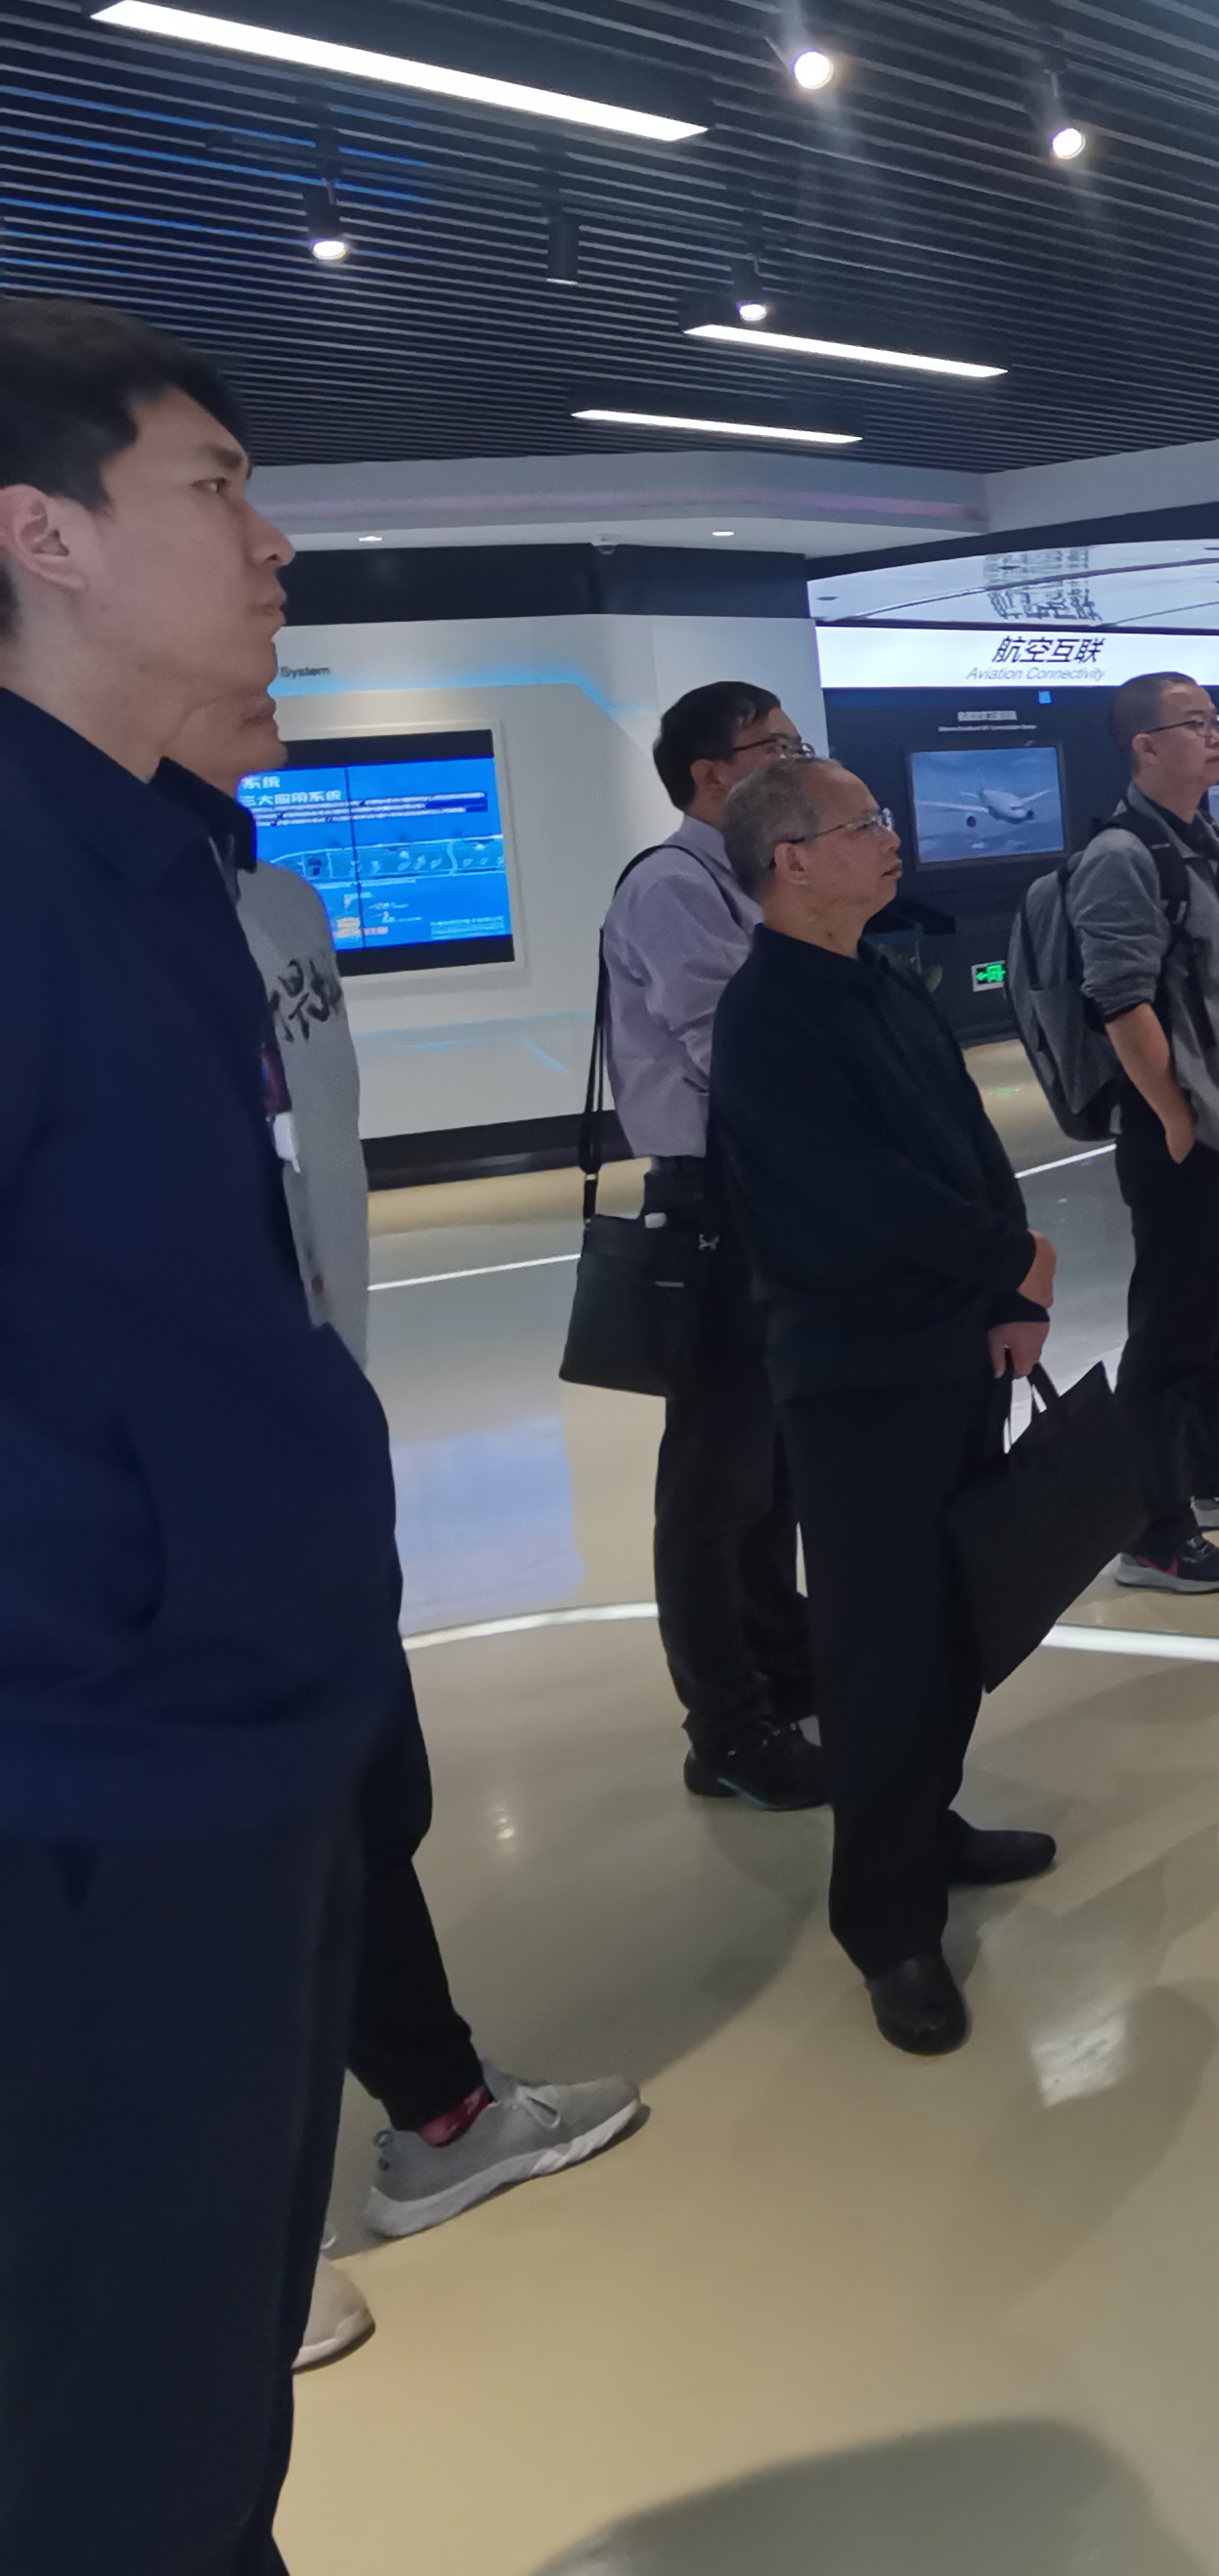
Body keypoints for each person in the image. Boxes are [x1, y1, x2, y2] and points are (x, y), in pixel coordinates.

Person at [0, 298, 400, 2576]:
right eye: (215, 485)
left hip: (237, 1745)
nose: (272, 541)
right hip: (92, 1795)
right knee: (117, 2442)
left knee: (205, 2389)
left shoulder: (156, 864)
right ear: (40, 532)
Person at [174, 688, 644, 2373]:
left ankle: (438, 2116)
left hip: (300, 1438)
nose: (271, 572)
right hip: (144, 1499)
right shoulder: (65, 909)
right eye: (224, 536)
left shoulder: (262, 897)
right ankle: (203, 2240)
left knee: (359, 1799)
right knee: (170, 1853)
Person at [706, 757, 1063, 2057]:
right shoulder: (766, 1017)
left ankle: (925, 1818)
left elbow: (968, 1143)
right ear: (790, 859)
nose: (889, 837)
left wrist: (1011, 1284)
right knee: (877, 1646)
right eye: (861, 825)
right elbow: (857, 1194)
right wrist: (1005, 1259)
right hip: (857, 1379)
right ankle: (887, 1922)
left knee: (953, 1616)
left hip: (948, 1350)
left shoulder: (879, 981)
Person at [599, 679, 820, 1811]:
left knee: (769, 1466)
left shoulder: (743, 875)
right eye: (773, 748)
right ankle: (726, 1726)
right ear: (709, 774)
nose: (792, 762)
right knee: (713, 1479)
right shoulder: (675, 886)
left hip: (766, 1191)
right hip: (715, 1200)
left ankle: (783, 1662)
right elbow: (735, 1046)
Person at [1065, 671, 1219, 1596]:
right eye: (1195, 723)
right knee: (1170, 1336)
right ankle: (1153, 1531)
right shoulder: (1122, 856)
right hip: (1190, 1136)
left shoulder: (1209, 838)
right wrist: (1175, 1118)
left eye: (1215, 721)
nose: (1216, 736)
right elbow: (1118, 1000)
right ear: (1144, 746)